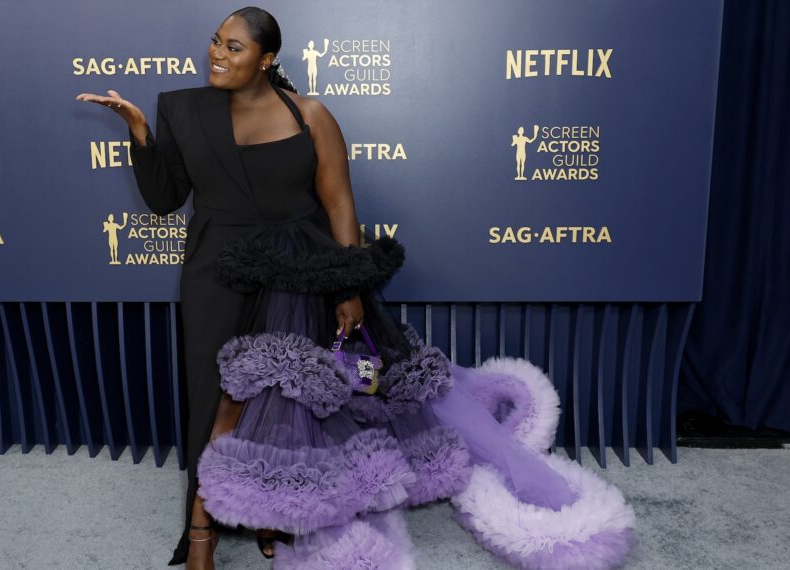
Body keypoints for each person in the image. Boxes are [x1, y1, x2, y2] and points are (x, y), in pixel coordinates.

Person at [78, 7, 636, 570]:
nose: (217, 54)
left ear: (267, 59)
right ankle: (200, 532)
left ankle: (271, 513)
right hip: (216, 269)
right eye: (216, 42)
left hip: (298, 271)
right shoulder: (182, 108)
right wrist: (141, 134)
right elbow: (164, 198)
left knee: (284, 400)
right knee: (215, 398)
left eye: (234, 47)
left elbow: (340, 202)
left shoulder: (311, 115)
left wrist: (347, 287)